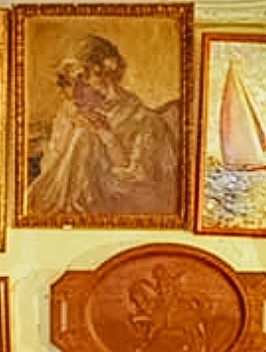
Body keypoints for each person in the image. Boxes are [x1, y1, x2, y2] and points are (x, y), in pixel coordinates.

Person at [27, 34, 180, 218]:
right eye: (71, 83)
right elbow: (52, 166)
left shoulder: (145, 121)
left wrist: (105, 134)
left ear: (107, 75)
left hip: (119, 208)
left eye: (84, 80)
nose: (75, 92)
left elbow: (140, 181)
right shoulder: (70, 112)